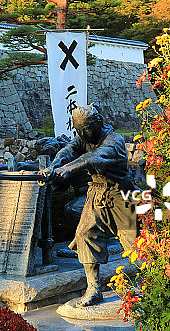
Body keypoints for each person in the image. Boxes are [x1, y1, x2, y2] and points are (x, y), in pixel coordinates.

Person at [39, 105, 138, 307]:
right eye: (79, 130)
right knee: (85, 234)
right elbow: (68, 151)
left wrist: (68, 169)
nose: (83, 134)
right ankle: (93, 288)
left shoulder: (114, 140)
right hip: (97, 193)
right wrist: (53, 167)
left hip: (122, 194)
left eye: (86, 129)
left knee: (133, 243)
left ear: (98, 124)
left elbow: (92, 158)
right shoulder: (82, 138)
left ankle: (150, 285)